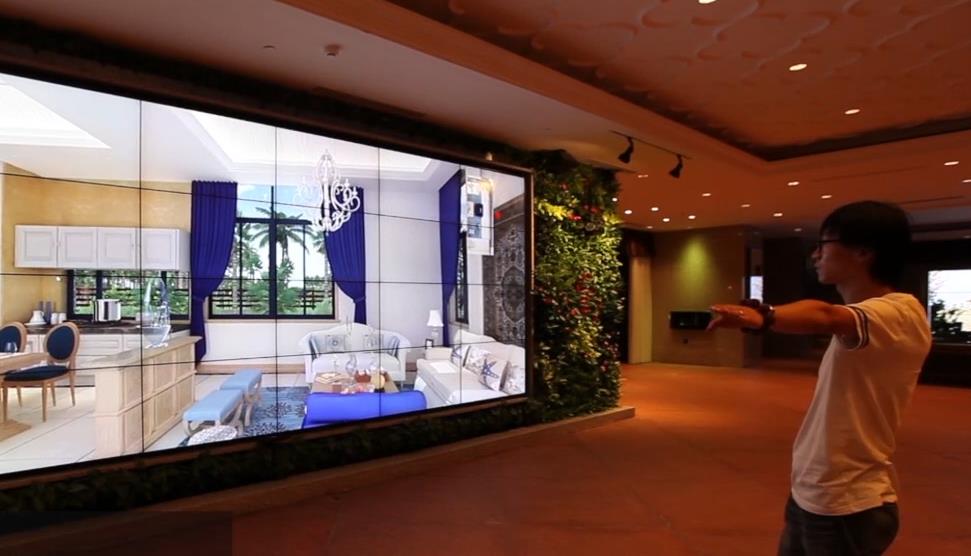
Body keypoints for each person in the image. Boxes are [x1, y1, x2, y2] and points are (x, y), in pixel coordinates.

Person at [707, 201, 931, 555]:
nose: (815, 255)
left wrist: (763, 315)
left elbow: (825, 315)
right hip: (817, 493)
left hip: (847, 504)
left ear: (863, 252)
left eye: (824, 244)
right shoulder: (874, 315)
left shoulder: (898, 312)